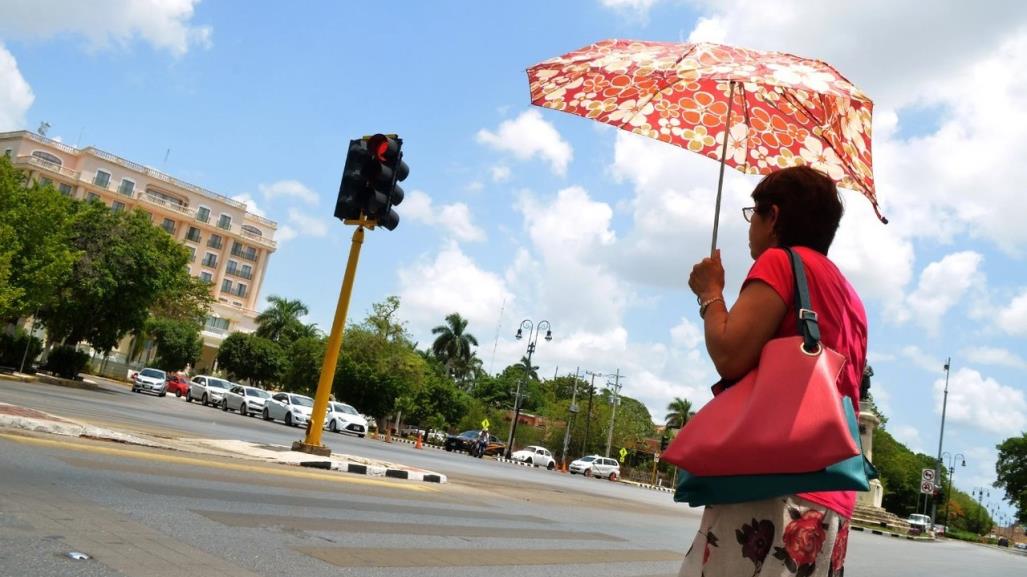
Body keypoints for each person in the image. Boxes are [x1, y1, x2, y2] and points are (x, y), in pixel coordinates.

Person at [680, 166, 867, 577]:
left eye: (754, 214)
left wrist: (711, 294)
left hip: (771, 490)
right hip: (830, 501)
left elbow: (730, 354)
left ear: (774, 217)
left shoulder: (780, 263)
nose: (752, 227)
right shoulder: (849, 295)